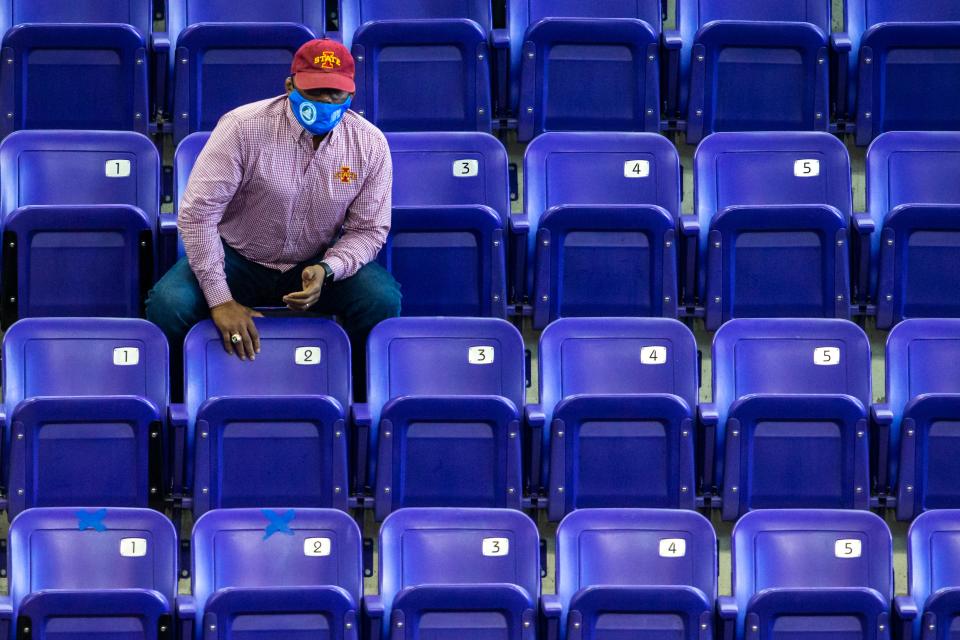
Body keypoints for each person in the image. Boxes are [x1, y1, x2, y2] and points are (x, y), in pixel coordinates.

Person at [146, 38, 400, 399]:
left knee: (381, 298)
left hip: (313, 261)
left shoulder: (370, 145)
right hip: (237, 257)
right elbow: (198, 214)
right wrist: (221, 300)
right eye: (315, 92)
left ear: (351, 95)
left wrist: (328, 269)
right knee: (169, 305)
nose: (325, 104)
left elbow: (369, 230)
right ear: (289, 86)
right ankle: (173, 405)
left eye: (336, 95)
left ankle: (359, 402)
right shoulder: (242, 127)